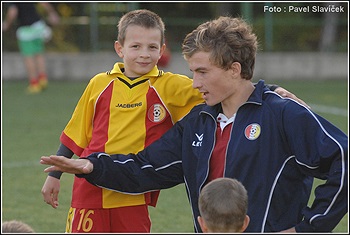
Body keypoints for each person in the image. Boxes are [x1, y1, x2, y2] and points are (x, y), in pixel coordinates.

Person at [40, 15, 348, 233]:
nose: (194, 82)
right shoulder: (198, 123)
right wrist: (93, 167)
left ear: (234, 69)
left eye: (202, 71)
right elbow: (146, 169)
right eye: (192, 71)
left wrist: (308, 228)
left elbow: (343, 161)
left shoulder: (282, 113)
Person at [2, 2, 60, 94]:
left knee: (28, 57)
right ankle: (43, 79)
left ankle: (34, 84)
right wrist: (52, 13)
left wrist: (6, 24)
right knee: (38, 54)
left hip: (26, 29)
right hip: (38, 26)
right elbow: (43, 3)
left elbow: (13, 11)